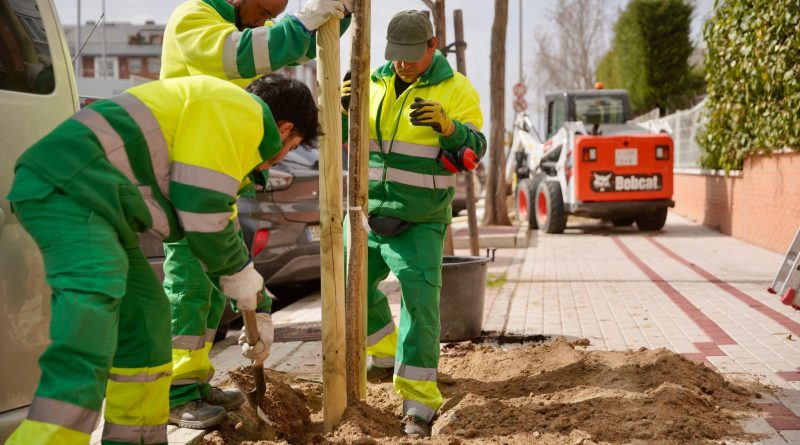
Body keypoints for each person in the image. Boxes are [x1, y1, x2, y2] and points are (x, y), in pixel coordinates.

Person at [4, 73, 320, 445]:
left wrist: (261, 307)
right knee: (91, 318)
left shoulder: (227, 135)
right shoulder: (241, 113)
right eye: (293, 146)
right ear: (284, 130)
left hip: (100, 208)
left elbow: (224, 228)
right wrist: (237, 273)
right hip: (68, 187)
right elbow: (201, 206)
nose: (280, 159)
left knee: (146, 319)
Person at [159, 0, 351, 428]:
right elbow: (247, 51)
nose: (268, 21)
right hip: (186, 175)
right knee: (189, 284)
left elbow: (279, 48)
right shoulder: (196, 19)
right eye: (266, 11)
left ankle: (192, 382)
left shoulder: (233, 31)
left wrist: (337, 15)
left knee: (208, 290)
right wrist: (301, 21)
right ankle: (173, 392)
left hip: (210, 170)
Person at [341, 10, 486, 437]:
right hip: (365, 212)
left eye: (411, 55)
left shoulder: (456, 89)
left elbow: (475, 149)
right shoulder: (372, 80)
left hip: (420, 218)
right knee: (352, 290)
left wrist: (449, 127)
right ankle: (385, 355)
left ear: (432, 46)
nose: (402, 63)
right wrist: (336, 102)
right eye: (396, 55)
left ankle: (418, 402)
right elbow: (343, 134)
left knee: (420, 307)